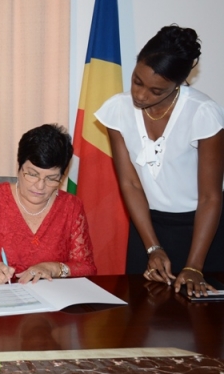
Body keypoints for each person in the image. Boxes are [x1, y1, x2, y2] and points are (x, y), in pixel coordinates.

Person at [96, 25, 224, 297]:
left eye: (156, 91)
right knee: (142, 319)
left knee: (204, 327)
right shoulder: (117, 110)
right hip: (148, 228)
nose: (141, 95)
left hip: (203, 232)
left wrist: (194, 266)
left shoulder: (202, 113)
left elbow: (210, 197)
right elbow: (130, 184)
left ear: (177, 84)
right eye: (137, 81)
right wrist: (153, 247)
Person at [0, 124, 96, 284]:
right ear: (19, 167)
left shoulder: (71, 207)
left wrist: (54, 268)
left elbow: (86, 266)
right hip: (1, 299)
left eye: (51, 178)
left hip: (51, 303)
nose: (40, 186)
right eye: (33, 174)